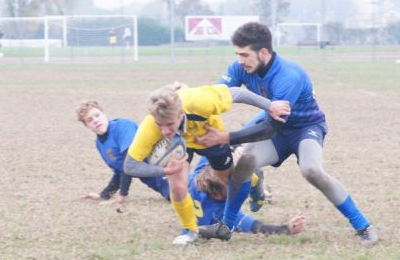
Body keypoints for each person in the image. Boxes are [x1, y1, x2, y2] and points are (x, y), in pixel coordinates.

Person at [196, 22, 379, 246]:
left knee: (312, 171)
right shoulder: (239, 68)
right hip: (275, 128)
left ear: (263, 52)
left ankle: (364, 227)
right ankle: (226, 227)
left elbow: (270, 128)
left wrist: (227, 138)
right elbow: (216, 96)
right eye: (237, 54)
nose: (240, 61)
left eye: (245, 55)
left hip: (304, 128)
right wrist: (185, 98)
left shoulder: (288, 76)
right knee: (245, 163)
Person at [124, 83, 290, 246]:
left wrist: (270, 106)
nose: (164, 130)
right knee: (177, 187)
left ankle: (254, 181)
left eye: (169, 124)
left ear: (180, 113)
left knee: (227, 184)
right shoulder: (151, 127)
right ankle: (190, 230)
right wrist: (164, 169)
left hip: (210, 137)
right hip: (177, 143)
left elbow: (236, 93)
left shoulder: (199, 102)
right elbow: (130, 166)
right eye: (160, 125)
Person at [77, 100, 170, 203]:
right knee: (175, 197)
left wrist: (122, 195)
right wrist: (104, 195)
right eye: (89, 120)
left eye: (97, 115)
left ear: (104, 114)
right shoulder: (100, 144)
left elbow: (129, 162)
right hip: (161, 186)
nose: (95, 120)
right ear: (86, 125)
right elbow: (120, 171)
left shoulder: (123, 126)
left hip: (170, 176)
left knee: (185, 194)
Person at [191, 155, 304, 237]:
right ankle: (257, 188)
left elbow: (213, 148)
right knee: (250, 178)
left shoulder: (198, 173)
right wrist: (286, 229)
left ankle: (257, 188)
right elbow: (256, 227)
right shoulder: (220, 213)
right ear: (219, 196)